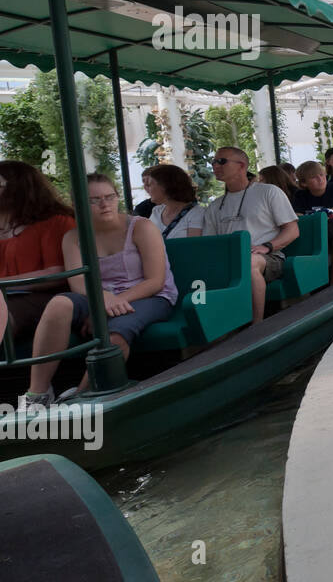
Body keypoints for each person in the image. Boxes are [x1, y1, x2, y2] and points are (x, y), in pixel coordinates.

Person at [20, 174, 177, 410]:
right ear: (78, 204)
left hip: (149, 296)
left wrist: (113, 304)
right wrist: (103, 300)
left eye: (109, 197)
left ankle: (81, 398)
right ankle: (38, 394)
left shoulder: (141, 227)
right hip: (99, 297)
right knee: (59, 304)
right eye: (94, 200)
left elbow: (155, 280)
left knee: (115, 333)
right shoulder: (73, 237)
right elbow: (78, 281)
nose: (105, 204)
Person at [203, 147, 298, 324]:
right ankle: (214, 330)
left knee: (248, 263)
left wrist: (267, 246)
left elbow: (293, 230)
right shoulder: (214, 206)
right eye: (213, 162)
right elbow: (211, 243)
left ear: (241, 166)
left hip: (268, 257)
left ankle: (256, 327)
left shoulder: (268, 192)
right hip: (228, 261)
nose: (215, 165)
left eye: (221, 161)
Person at [0, 160, 76, 350]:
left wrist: (4, 285)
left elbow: (58, 272)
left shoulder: (57, 222)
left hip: (43, 296)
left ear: (17, 189)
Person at [293, 161, 333, 285]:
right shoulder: (300, 195)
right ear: (304, 183)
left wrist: (309, 219)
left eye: (321, 174)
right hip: (313, 229)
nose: (320, 179)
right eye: (314, 177)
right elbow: (298, 218)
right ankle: (308, 285)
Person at [144, 164, 204, 239]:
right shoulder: (156, 211)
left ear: (164, 186)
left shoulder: (196, 213)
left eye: (149, 184)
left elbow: (193, 247)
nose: (145, 189)